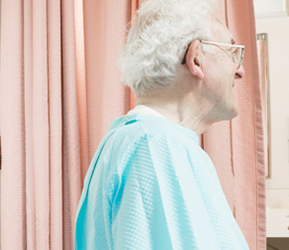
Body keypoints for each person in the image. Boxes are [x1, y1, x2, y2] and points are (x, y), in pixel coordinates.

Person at [74, 0, 249, 249]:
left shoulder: (142, 140)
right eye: (232, 53)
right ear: (196, 59)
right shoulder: (154, 146)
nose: (240, 70)